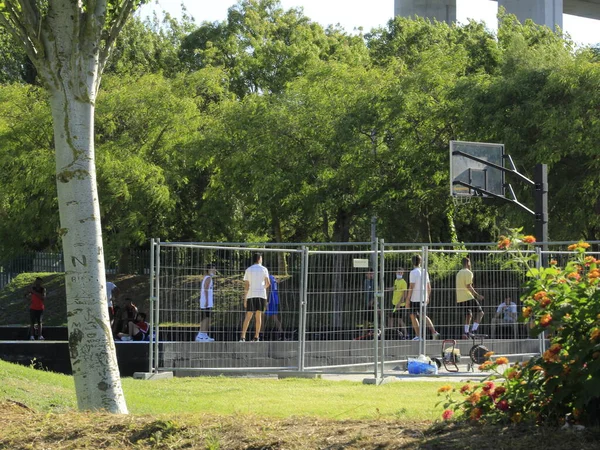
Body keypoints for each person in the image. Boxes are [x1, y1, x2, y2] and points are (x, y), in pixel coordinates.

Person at [406, 255, 440, 341]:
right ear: (420, 262)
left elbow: (411, 286)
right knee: (423, 315)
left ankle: (418, 336)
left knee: (413, 316)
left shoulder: (413, 272)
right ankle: (434, 332)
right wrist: (427, 296)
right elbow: (429, 287)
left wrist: (407, 299)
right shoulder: (425, 272)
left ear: (412, 262)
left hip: (415, 298)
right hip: (423, 297)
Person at [240, 253, 270, 342]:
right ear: (260, 258)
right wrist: (262, 287)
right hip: (261, 294)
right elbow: (268, 283)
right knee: (258, 316)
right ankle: (256, 337)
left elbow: (246, 285)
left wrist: (245, 298)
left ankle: (243, 337)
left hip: (251, 294)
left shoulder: (248, 270)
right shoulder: (264, 269)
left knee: (248, 316)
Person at [456, 257, 484, 339]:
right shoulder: (468, 273)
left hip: (460, 298)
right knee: (480, 313)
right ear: (468, 263)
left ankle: (466, 332)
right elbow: (468, 286)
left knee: (468, 315)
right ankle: (473, 331)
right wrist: (477, 295)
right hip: (468, 297)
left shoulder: (459, 273)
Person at [196, 264, 216, 342]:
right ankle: (201, 335)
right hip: (206, 302)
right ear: (209, 270)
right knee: (205, 318)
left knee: (207, 318)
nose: (214, 271)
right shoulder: (208, 278)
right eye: (213, 269)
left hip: (207, 301)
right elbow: (205, 289)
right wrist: (207, 301)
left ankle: (204, 334)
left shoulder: (207, 278)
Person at [388, 267, 409, 339]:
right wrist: (386, 289)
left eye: (401, 272)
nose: (399, 273)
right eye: (398, 272)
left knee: (399, 320)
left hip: (400, 305)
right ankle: (390, 334)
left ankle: (406, 335)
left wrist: (399, 304)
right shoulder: (396, 280)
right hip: (394, 303)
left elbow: (405, 294)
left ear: (403, 273)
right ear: (396, 272)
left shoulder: (403, 282)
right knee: (391, 318)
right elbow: (394, 288)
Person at [263, 274, 284, 340]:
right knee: (274, 317)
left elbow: (267, 289)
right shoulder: (273, 277)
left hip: (270, 300)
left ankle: (261, 335)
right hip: (275, 299)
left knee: (261, 316)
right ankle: (281, 333)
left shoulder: (267, 277)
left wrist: (266, 300)